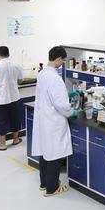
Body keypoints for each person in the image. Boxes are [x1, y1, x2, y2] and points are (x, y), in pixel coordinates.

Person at [31, 46, 78, 197]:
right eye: (62, 61)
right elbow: (61, 105)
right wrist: (71, 111)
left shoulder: (43, 73)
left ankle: (44, 183)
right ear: (58, 59)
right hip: (53, 121)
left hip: (44, 119)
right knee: (55, 155)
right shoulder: (55, 78)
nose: (62, 63)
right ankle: (52, 189)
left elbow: (48, 95)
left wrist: (66, 94)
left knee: (45, 152)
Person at [0, 46, 24, 151]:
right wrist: (13, 84)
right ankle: (16, 139)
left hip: (1, 99)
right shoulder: (16, 65)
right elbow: (21, 80)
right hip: (14, 97)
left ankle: (2, 145)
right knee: (15, 118)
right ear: (8, 54)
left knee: (1, 121)